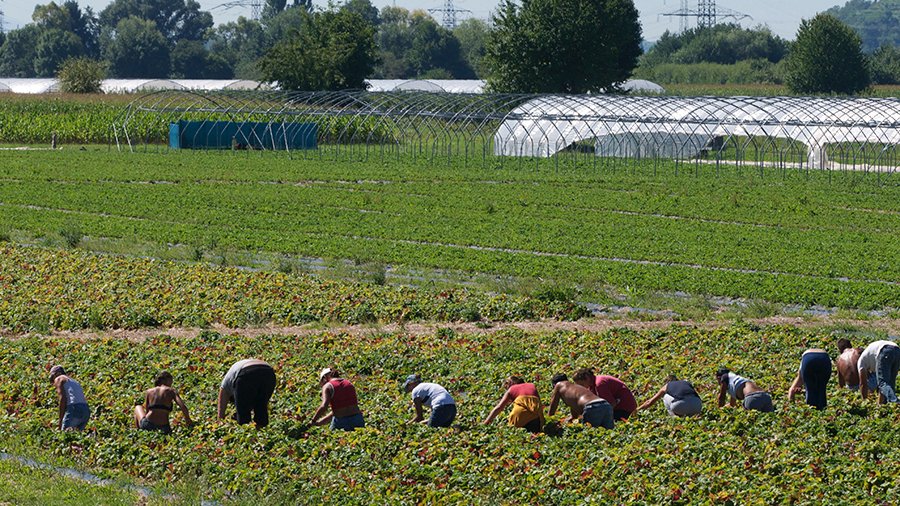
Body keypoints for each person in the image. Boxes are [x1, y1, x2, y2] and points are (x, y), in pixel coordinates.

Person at [217, 359, 276, 428]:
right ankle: (261, 433)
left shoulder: (226, 388)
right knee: (261, 408)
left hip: (247, 373)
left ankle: (247, 435)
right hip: (269, 373)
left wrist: (220, 419)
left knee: (243, 417)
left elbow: (222, 394)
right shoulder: (233, 378)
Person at [548, 373, 614, 429]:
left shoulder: (559, 385)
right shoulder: (574, 387)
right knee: (607, 433)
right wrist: (571, 418)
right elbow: (573, 406)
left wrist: (549, 421)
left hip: (592, 407)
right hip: (605, 405)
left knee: (590, 435)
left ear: (554, 384)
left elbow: (553, 405)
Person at [635, 375, 703, 417]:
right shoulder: (686, 382)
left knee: (665, 396)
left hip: (680, 406)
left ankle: (674, 417)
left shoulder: (667, 386)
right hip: (697, 405)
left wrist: (637, 410)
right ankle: (692, 416)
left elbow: (649, 402)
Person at [857, 340, 900, 404]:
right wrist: (879, 404)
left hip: (885, 350)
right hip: (897, 350)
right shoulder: (870, 358)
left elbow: (863, 384)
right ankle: (889, 404)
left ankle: (896, 402)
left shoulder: (861, 362)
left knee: (882, 383)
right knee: (890, 383)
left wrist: (864, 401)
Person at [49, 365, 90, 431]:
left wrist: (60, 420)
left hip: (75, 408)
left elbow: (62, 399)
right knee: (75, 437)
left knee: (65, 435)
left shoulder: (59, 379)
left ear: (56, 374)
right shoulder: (74, 381)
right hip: (86, 410)